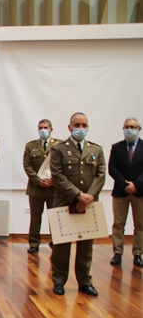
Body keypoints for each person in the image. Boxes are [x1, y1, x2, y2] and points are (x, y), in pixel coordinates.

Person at [50, 112, 105, 296]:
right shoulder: (58, 149)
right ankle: (59, 281)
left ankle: (84, 281)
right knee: (61, 246)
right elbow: (57, 176)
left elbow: (101, 175)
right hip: (65, 202)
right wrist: (77, 195)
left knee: (86, 246)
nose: (80, 128)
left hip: (88, 204)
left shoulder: (96, 150)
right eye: (77, 125)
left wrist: (88, 197)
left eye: (84, 125)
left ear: (87, 127)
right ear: (69, 127)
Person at [108, 117, 143, 267]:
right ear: (123, 129)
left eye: (133, 127)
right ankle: (117, 253)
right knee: (118, 224)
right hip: (120, 192)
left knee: (140, 225)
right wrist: (124, 184)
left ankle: (138, 254)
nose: (129, 129)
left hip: (140, 192)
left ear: (139, 129)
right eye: (127, 127)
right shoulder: (116, 147)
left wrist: (136, 184)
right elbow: (112, 168)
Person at [23, 119, 60, 253]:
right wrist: (38, 180)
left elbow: (62, 166)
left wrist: (53, 181)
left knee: (54, 218)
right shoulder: (31, 146)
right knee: (35, 218)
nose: (43, 130)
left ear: (51, 129)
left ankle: (56, 243)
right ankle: (34, 243)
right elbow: (27, 166)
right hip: (35, 188)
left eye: (45, 127)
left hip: (54, 189)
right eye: (40, 128)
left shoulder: (59, 145)